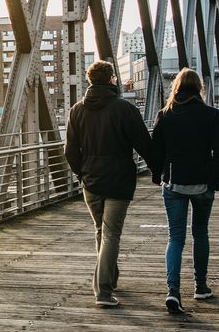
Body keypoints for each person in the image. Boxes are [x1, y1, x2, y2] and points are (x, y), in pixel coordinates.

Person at [66, 59, 155, 308]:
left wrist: (81, 173)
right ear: (112, 79)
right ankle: (103, 291)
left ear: (90, 80)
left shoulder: (76, 110)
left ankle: (110, 278)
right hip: (119, 180)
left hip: (91, 181)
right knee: (111, 234)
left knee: (100, 231)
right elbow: (144, 144)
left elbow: (70, 149)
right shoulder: (124, 109)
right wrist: (158, 170)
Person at [149, 68, 219, 314]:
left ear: (176, 88)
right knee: (200, 233)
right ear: (199, 88)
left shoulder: (165, 115)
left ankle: (173, 291)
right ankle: (201, 287)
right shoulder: (211, 115)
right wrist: (214, 181)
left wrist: (157, 176)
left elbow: (156, 152)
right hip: (203, 183)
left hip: (173, 183)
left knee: (175, 238)